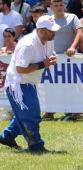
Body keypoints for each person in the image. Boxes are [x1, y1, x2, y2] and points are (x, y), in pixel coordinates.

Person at [0, 15, 59, 151]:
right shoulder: (27, 44)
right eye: (51, 30)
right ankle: (36, 145)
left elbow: (50, 54)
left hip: (29, 82)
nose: (54, 32)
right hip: (18, 83)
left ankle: (6, 136)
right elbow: (20, 69)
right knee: (31, 115)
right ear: (41, 29)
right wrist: (42, 64)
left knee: (24, 114)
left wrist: (51, 59)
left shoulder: (49, 39)